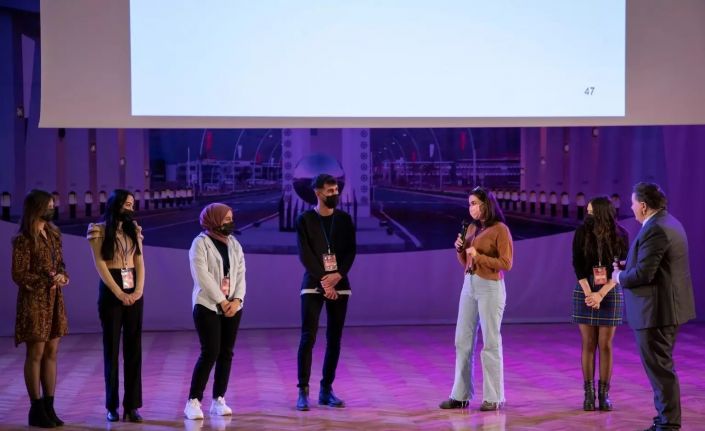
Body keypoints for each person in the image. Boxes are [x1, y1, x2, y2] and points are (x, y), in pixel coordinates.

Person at [612, 183, 695, 431]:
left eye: (632, 203)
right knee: (661, 368)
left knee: (660, 370)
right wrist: (630, 263)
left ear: (644, 206)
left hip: (656, 312)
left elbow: (644, 275)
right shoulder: (669, 222)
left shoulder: (656, 229)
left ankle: (668, 425)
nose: (631, 207)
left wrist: (618, 276)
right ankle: (664, 421)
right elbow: (657, 265)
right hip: (664, 309)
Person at [439, 187, 513, 412]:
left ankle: (494, 397)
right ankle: (460, 395)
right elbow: (466, 262)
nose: (471, 208)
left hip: (490, 287)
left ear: (485, 204)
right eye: (469, 204)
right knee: (462, 340)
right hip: (469, 284)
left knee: (491, 342)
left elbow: (506, 263)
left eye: (474, 203)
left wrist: (479, 256)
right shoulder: (472, 228)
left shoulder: (500, 229)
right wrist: (460, 250)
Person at [295, 174, 356, 411]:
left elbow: (350, 251)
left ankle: (326, 390)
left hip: (339, 282)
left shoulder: (344, 219)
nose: (335, 194)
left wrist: (337, 275)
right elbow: (305, 254)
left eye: (336, 190)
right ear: (318, 192)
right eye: (330, 191)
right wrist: (324, 280)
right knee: (308, 337)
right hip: (314, 282)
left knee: (334, 339)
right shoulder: (305, 219)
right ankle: (303, 390)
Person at [12, 190, 69, 428]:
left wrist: (62, 276)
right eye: (49, 206)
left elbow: (61, 264)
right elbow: (19, 274)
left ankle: (49, 406)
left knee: (52, 353)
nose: (52, 209)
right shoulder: (24, 239)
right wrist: (46, 280)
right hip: (34, 303)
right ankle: (36, 408)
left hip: (54, 301)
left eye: (53, 205)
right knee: (35, 353)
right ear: (36, 208)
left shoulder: (54, 234)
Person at [87, 189, 145, 423]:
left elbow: (139, 261)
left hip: (133, 286)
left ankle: (132, 406)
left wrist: (138, 290)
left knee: (134, 349)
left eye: (132, 204)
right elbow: (100, 264)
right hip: (112, 288)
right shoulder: (99, 230)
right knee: (111, 349)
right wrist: (119, 293)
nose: (131, 208)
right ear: (116, 204)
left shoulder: (134, 229)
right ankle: (112, 406)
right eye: (127, 204)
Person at [184, 203, 246, 420]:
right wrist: (221, 300)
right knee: (210, 351)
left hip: (233, 306)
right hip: (207, 305)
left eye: (231, 218)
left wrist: (237, 300)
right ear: (214, 219)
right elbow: (202, 276)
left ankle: (219, 399)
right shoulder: (199, 243)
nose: (230, 222)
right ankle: (193, 401)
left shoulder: (234, 244)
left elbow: (241, 274)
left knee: (226, 353)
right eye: (226, 218)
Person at [572, 196, 629, 411]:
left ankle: (604, 394)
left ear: (602, 213)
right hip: (585, 288)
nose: (587, 216)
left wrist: (601, 294)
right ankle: (589, 394)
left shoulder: (621, 234)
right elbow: (577, 265)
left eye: (591, 212)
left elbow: (620, 269)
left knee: (605, 344)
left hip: (610, 289)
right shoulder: (581, 232)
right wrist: (590, 293)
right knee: (588, 343)